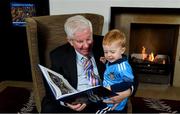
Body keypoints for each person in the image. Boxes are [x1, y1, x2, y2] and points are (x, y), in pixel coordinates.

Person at [41, 15, 133, 113]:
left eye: (89, 39)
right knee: (49, 107)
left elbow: (130, 71)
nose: (86, 45)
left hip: (104, 98)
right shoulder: (58, 55)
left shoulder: (107, 45)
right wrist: (67, 103)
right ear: (70, 41)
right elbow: (52, 89)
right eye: (80, 41)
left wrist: (127, 92)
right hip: (78, 101)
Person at [98, 29, 134, 113]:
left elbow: (128, 83)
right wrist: (105, 62)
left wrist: (110, 88)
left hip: (114, 102)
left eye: (112, 52)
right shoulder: (112, 61)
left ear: (122, 50)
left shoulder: (123, 67)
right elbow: (112, 71)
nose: (109, 55)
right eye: (106, 52)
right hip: (107, 96)